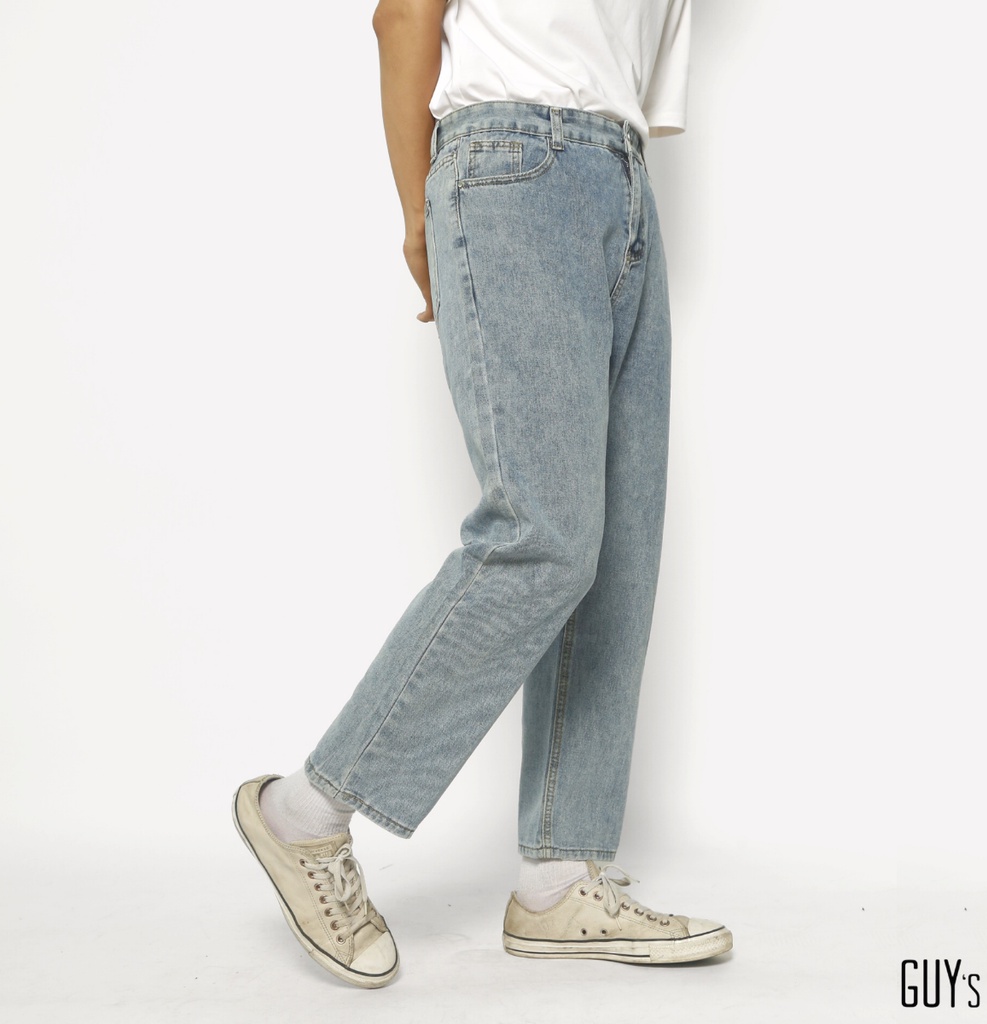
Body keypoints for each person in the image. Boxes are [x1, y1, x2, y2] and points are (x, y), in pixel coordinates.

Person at [233, 0, 731, 988]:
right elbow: (403, 15)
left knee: (616, 550)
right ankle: (304, 811)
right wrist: (420, 213)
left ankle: (558, 880)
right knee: (541, 536)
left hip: (621, 174)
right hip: (516, 161)